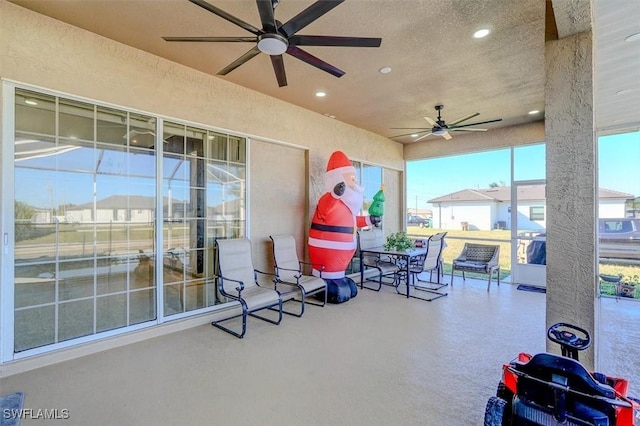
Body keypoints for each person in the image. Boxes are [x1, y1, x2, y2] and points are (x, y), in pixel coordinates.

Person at [308, 150, 382, 303]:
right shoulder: (328, 200)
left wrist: (370, 220)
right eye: (351, 179)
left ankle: (338, 278)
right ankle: (325, 281)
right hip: (325, 253)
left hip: (342, 257)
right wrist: (335, 194)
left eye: (354, 179)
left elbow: (354, 221)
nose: (354, 184)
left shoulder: (347, 207)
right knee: (333, 283)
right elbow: (325, 207)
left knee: (342, 283)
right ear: (337, 180)